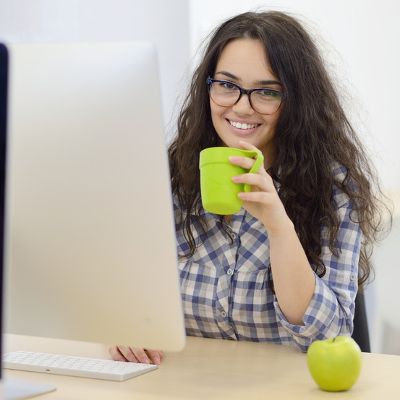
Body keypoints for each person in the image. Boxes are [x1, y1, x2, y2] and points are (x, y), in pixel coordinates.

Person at [109, 10, 391, 364]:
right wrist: (127, 325)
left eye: (266, 92)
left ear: (296, 101)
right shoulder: (171, 176)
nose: (242, 107)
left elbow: (328, 337)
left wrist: (279, 226)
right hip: (183, 381)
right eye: (227, 85)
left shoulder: (333, 189)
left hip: (286, 385)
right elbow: (127, 292)